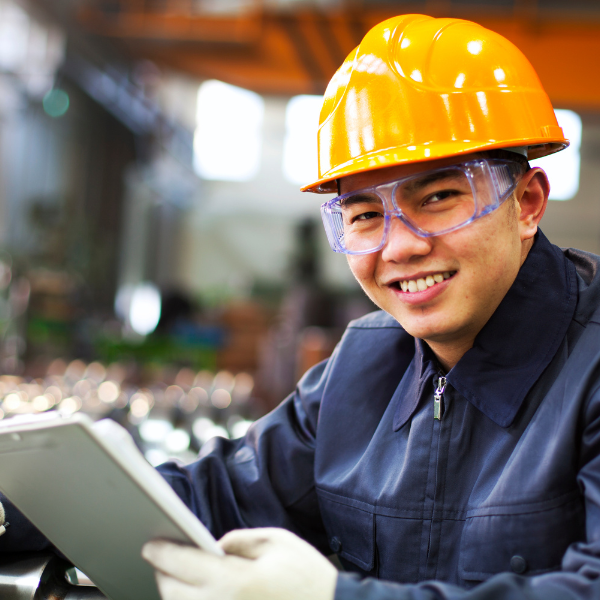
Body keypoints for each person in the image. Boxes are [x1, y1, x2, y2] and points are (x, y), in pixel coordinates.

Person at [3, 13, 600, 600]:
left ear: (526, 203)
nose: (400, 246)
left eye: (440, 197)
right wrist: (16, 504)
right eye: (365, 215)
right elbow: (215, 497)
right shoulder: (365, 366)